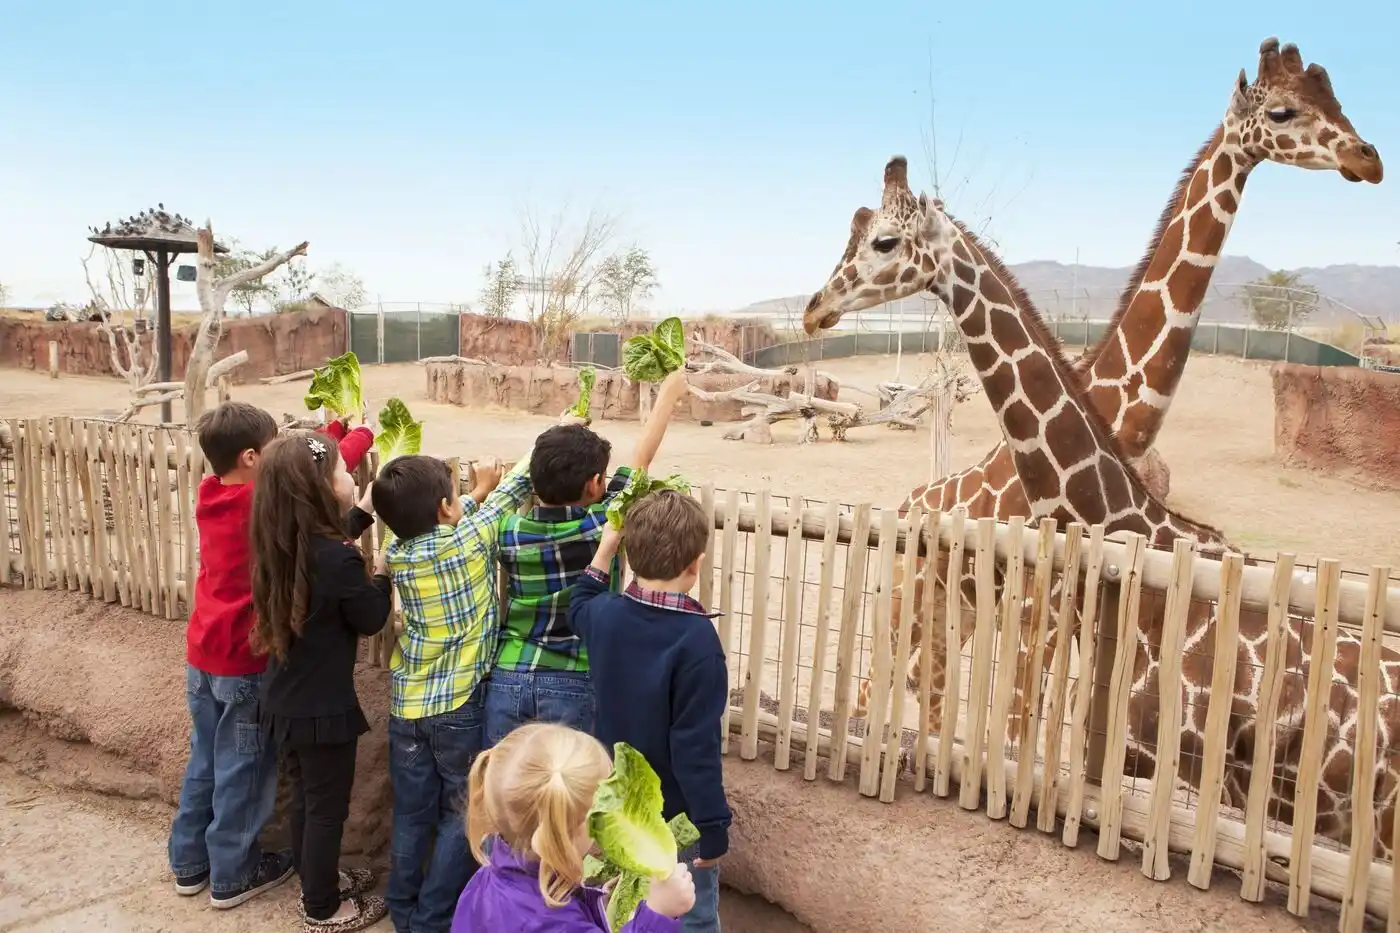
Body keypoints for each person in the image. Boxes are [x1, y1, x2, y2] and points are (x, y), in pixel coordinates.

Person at [167, 403, 373, 910]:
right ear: (254, 456)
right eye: (274, 439)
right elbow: (309, 471)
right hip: (243, 662)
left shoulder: (211, 494)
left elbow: (298, 464)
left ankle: (189, 862)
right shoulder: (259, 505)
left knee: (204, 761)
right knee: (242, 767)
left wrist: (332, 429)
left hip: (202, 656)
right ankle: (233, 872)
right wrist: (356, 436)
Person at [372, 451, 533, 933]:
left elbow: (457, 514)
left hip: (408, 706)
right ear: (445, 508)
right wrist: (489, 484)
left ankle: (401, 907)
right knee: (458, 814)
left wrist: (469, 496)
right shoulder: (472, 538)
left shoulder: (396, 551)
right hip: (460, 707)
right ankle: (432, 919)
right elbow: (516, 487)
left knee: (412, 811)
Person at [488, 369, 692, 746]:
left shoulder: (508, 532)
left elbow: (507, 493)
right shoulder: (602, 525)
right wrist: (667, 396)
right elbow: (642, 460)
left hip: (509, 674)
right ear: (595, 484)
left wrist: (555, 432)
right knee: (571, 791)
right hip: (573, 675)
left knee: (509, 790)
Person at [567, 492, 731, 932]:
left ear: (630, 554)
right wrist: (713, 827)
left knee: (623, 909)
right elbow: (695, 747)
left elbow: (578, 598)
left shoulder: (602, 615)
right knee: (689, 915)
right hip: (674, 822)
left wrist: (606, 545)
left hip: (616, 807)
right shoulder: (698, 644)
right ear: (695, 565)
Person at [251, 430, 393, 931]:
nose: (350, 476)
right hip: (322, 712)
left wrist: (363, 510)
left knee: (308, 804)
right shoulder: (337, 559)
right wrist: (382, 571)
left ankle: (320, 879)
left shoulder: (279, 539)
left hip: (285, 700)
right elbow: (371, 615)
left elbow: (328, 550)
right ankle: (322, 907)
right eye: (341, 471)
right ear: (318, 487)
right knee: (327, 809)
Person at [450, 722, 696, 932]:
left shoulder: (484, 881)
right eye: (602, 814)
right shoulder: (559, 923)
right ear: (574, 832)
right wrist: (657, 915)